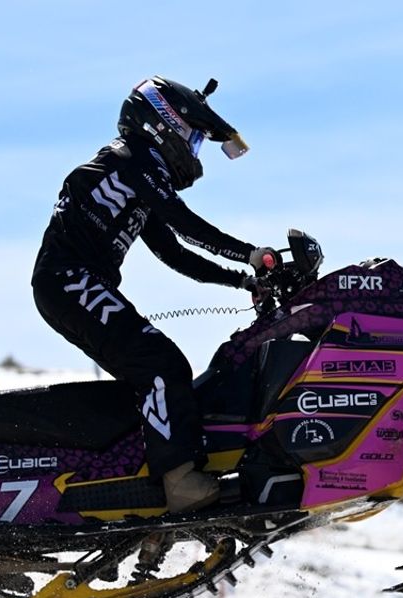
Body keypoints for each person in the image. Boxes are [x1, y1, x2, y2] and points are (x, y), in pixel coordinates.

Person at [31, 76, 278, 513]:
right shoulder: (132, 157)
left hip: (71, 284)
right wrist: (251, 254)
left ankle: (136, 477)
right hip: (68, 280)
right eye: (194, 139)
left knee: (148, 372)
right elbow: (183, 222)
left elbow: (174, 253)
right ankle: (179, 481)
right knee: (161, 363)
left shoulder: (135, 174)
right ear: (165, 123)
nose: (194, 152)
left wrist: (243, 281)